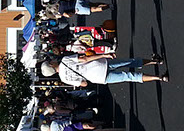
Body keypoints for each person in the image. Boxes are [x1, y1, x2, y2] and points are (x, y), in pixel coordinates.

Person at [41, 53, 169, 85]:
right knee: (130, 62)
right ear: (51, 65)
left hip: (98, 78)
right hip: (100, 65)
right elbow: (85, 59)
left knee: (128, 77)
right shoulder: (64, 60)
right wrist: (103, 55)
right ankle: (155, 61)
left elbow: (84, 84)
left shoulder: (64, 79)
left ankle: (159, 78)